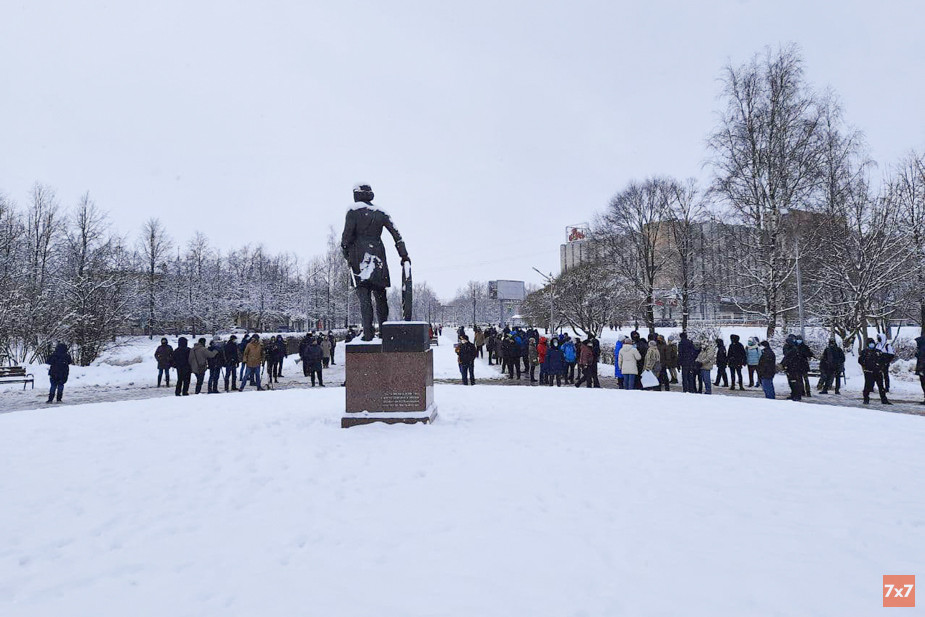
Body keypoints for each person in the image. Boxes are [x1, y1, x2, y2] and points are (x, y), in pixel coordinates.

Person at [340, 184, 410, 341]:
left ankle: (368, 333)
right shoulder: (381, 212)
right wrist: (404, 255)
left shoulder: (353, 210)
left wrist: (345, 252)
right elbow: (396, 234)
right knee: (381, 296)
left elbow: (346, 237)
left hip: (359, 258)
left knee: (364, 297)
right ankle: (384, 332)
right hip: (378, 257)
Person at [859, 338, 890, 405]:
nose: (872, 345)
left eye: (872, 343)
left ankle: (884, 400)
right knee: (867, 386)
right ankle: (866, 399)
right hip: (869, 372)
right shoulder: (864, 352)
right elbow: (860, 360)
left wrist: (881, 367)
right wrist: (865, 366)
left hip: (878, 372)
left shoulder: (878, 352)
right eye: (870, 343)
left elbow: (883, 360)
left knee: (881, 386)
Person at [781, 337, 809, 401]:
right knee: (793, 382)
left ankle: (797, 395)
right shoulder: (793, 349)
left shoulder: (793, 350)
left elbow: (787, 358)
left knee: (795, 382)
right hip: (793, 368)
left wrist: (783, 364)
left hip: (794, 369)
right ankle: (794, 394)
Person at [915, 335, 925, 405]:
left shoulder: (922, 349)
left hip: (923, 368)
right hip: (922, 368)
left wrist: (921, 369)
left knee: (923, 383)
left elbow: (922, 359)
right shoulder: (921, 348)